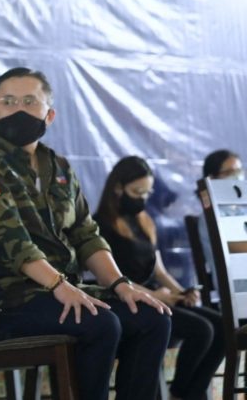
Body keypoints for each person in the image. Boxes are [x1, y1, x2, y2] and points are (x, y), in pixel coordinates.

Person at [0, 67, 172, 400]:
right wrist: (59, 285)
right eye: (8, 102)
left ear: (49, 114)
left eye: (30, 101)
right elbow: (10, 240)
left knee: (151, 318)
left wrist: (121, 285)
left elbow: (86, 234)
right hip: (8, 302)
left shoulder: (60, 168)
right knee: (100, 323)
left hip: (63, 292)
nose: (19, 109)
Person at [95, 156, 224, 400]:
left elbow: (159, 270)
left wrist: (181, 292)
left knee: (221, 326)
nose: (143, 198)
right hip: (128, 299)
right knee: (202, 330)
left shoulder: (144, 220)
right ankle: (180, 393)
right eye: (137, 192)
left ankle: (189, 393)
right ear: (118, 188)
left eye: (147, 193)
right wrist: (156, 295)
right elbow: (109, 279)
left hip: (155, 294)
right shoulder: (101, 225)